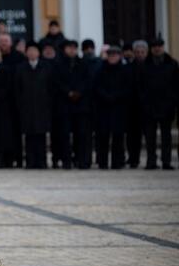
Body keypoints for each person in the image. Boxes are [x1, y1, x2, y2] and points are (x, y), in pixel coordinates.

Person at [139, 39, 179, 170]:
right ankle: (151, 161)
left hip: (166, 106)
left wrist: (172, 101)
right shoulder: (145, 64)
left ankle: (166, 161)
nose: (157, 49)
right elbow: (139, 86)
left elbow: (176, 85)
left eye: (159, 46)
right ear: (151, 49)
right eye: (154, 46)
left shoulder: (172, 64)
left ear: (163, 47)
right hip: (149, 107)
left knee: (166, 136)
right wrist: (144, 101)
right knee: (150, 137)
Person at [55, 40, 92, 169]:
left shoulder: (83, 63)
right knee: (64, 135)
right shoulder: (59, 64)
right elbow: (57, 82)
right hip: (64, 104)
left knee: (81, 134)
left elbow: (87, 81)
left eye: (74, 48)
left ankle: (81, 160)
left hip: (81, 105)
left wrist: (78, 93)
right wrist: (68, 92)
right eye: (69, 48)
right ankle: (66, 161)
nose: (71, 50)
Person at [15, 42, 53, 168]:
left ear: (38, 53)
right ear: (26, 53)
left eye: (34, 50)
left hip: (42, 107)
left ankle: (42, 161)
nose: (32, 53)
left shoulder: (46, 67)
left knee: (41, 135)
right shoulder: (21, 68)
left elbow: (50, 88)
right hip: (27, 107)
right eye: (29, 50)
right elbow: (17, 89)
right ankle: (30, 161)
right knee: (29, 136)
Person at [93, 46, 130, 169]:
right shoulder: (100, 70)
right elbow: (96, 86)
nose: (112, 57)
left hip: (119, 108)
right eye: (110, 55)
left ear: (119, 56)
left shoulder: (125, 71)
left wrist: (116, 96)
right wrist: (105, 96)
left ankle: (117, 162)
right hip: (103, 107)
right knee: (103, 136)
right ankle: (102, 162)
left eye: (115, 55)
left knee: (118, 137)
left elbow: (127, 88)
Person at [0, 33, 25, 167]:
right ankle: (5, 160)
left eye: (6, 41)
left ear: (10, 43)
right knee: (3, 132)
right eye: (1, 41)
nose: (3, 44)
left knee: (16, 132)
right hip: (1, 102)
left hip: (16, 100)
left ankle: (19, 159)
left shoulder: (19, 57)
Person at [126, 40, 149, 168]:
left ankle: (152, 159)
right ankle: (133, 158)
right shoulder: (128, 67)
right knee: (132, 135)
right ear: (134, 53)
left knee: (148, 135)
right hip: (131, 107)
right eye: (137, 52)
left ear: (146, 52)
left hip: (147, 107)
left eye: (142, 52)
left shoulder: (150, 66)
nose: (140, 54)